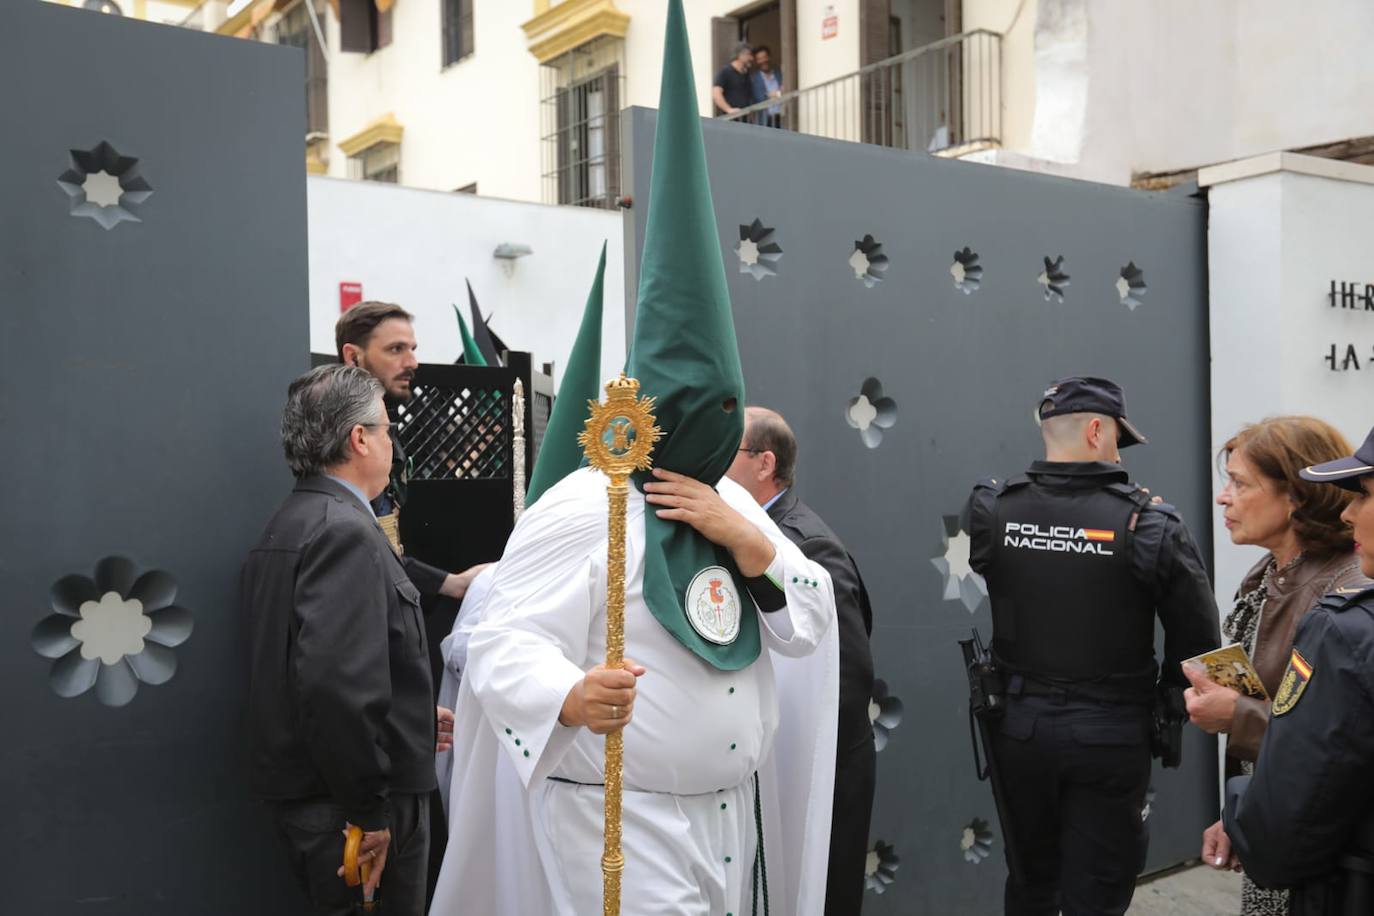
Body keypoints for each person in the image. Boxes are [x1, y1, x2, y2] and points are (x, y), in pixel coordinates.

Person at [431, 5, 838, 913]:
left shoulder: (735, 508)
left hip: (732, 820)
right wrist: (569, 694)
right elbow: (501, 637)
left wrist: (753, 544)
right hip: (619, 814)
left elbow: (809, 626)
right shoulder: (583, 505)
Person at [966, 375, 1221, 916]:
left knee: (1031, 882)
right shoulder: (1150, 523)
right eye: (1117, 438)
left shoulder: (993, 509)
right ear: (1098, 430)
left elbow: (995, 569)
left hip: (1018, 728)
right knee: (1098, 893)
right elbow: (1198, 639)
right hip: (1109, 735)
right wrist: (1170, 703)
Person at [241, 365, 441, 916]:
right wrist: (370, 812)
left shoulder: (295, 521)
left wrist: (416, 716)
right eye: (386, 428)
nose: (391, 440)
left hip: (326, 801)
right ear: (359, 439)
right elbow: (336, 688)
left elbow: (316, 671)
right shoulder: (342, 530)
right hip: (350, 814)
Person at [1186, 417, 1365, 916]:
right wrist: (1240, 812)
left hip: (1322, 853)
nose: (1223, 498)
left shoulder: (1345, 593)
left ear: (1297, 497)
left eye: (1240, 483)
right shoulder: (1267, 572)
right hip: (1276, 823)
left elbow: (1341, 746)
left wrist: (1236, 715)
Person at [726, 405, 874, 916]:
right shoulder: (759, 532)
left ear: (764, 464)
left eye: (730, 450)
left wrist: (796, 766)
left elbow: (848, 678)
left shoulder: (804, 547)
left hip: (816, 769)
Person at [335, 301, 487, 603]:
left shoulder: (389, 423)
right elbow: (365, 550)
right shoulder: (335, 433)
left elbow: (385, 547)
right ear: (353, 356)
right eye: (396, 349)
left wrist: (450, 583)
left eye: (412, 349)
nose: (412, 362)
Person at [712, 41, 754, 116]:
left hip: (744, 120)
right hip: (730, 120)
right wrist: (729, 109)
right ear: (740, 55)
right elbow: (716, 93)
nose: (751, 58)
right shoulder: (726, 72)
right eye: (749, 55)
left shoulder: (746, 74)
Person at [749, 44, 784, 127]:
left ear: (769, 57)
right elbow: (760, 97)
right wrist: (779, 93)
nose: (763, 61)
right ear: (756, 61)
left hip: (782, 117)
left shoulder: (779, 74)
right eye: (759, 59)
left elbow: (788, 90)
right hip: (765, 119)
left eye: (764, 57)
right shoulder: (753, 79)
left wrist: (774, 94)